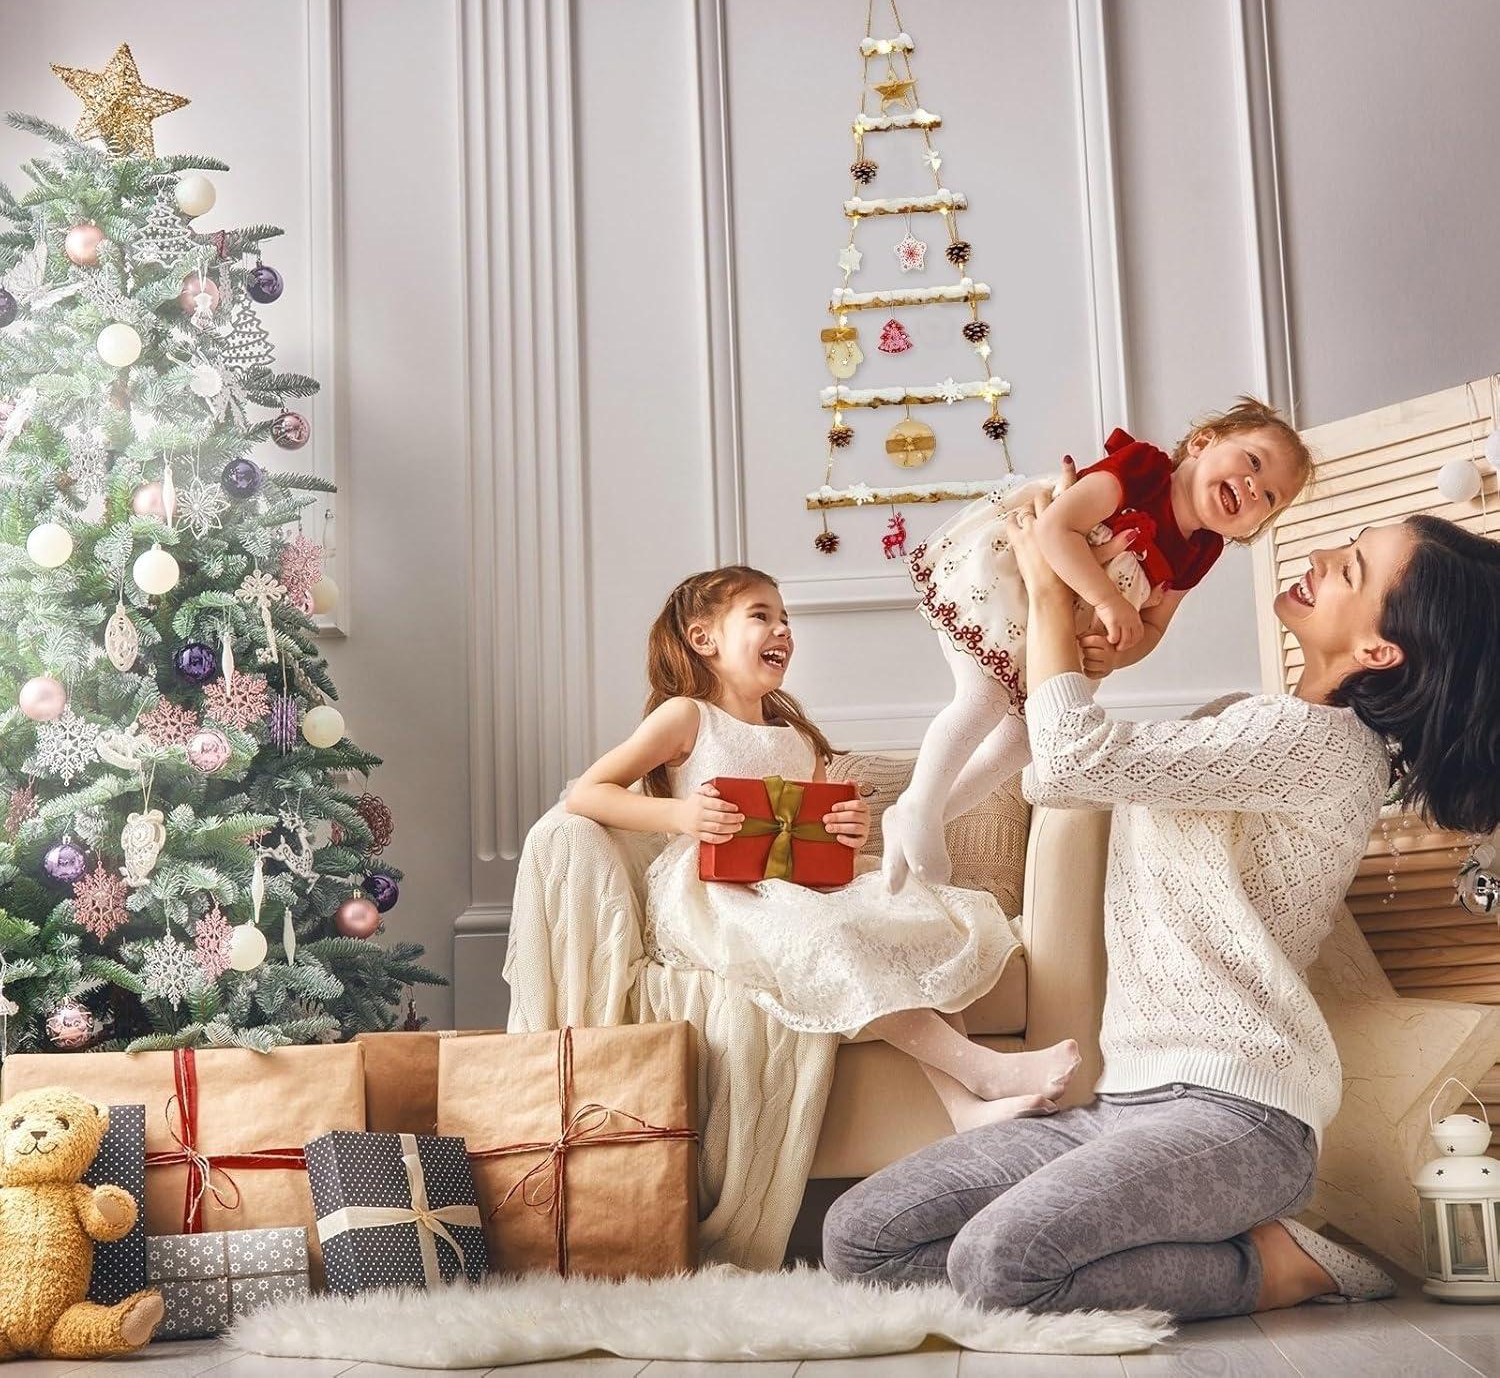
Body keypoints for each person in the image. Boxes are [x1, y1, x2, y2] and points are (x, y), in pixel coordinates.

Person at [825, 490, 1500, 1318]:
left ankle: (1277, 1267)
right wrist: (1094, 643)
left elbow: (1072, 761)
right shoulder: (1242, 720)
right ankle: (1181, 1245)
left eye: (1350, 569)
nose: (1322, 558)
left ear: (1378, 648)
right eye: (1346, 543)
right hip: (1122, 1100)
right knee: (860, 1237)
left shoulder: (1326, 750)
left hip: (1239, 1117)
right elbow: (1052, 768)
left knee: (1000, 1265)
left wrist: (1047, 586)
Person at [566, 565, 1082, 1131]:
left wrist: (848, 831)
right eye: (761, 616)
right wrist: (681, 814)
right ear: (703, 638)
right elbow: (586, 793)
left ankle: (965, 1109)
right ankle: (984, 1072)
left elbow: (813, 835)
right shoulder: (687, 716)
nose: (782, 630)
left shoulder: (797, 737)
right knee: (832, 936)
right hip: (717, 893)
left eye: (786, 619)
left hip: (797, 885)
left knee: (908, 913)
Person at [888, 399, 1313, 887]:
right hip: (1009, 584)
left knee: (1027, 738)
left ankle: (927, 813)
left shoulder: (1201, 549)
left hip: (1057, 628)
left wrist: (1117, 651)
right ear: (1201, 444)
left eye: (1270, 497)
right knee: (981, 697)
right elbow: (1056, 528)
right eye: (1253, 463)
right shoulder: (1145, 470)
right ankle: (919, 803)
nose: (1253, 487)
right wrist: (1109, 600)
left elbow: (1153, 627)